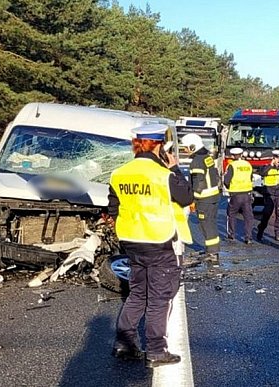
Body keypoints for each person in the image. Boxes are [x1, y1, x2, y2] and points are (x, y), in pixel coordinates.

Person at [107, 124, 193, 368]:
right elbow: (186, 197)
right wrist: (175, 167)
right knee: (159, 298)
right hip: (160, 240)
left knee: (137, 294)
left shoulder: (119, 173)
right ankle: (156, 350)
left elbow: (114, 209)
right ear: (159, 146)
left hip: (132, 241)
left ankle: (124, 344)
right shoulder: (163, 175)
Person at [180, 133, 221, 263]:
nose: (185, 150)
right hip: (213, 196)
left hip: (204, 199)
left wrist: (192, 199)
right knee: (211, 224)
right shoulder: (206, 157)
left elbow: (199, 183)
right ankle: (212, 250)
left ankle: (212, 253)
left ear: (193, 147)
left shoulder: (197, 161)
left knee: (206, 225)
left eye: (186, 148)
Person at [224, 147, 255, 244]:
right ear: (241, 155)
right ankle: (248, 237)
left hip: (235, 194)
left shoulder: (231, 165)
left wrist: (229, 188)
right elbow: (251, 177)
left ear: (233, 156)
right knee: (248, 216)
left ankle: (231, 235)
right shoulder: (248, 164)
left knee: (231, 214)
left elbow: (226, 181)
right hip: (247, 194)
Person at [256, 150, 279, 242]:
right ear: (273, 158)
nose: (278, 160)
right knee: (267, 214)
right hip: (269, 194)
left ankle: (278, 234)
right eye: (277, 158)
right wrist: (271, 165)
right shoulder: (266, 167)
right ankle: (260, 231)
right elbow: (262, 173)